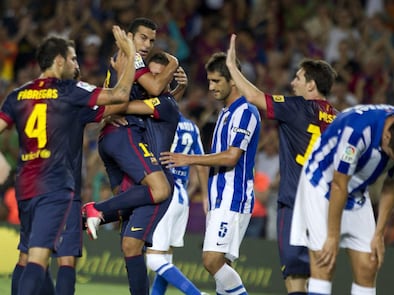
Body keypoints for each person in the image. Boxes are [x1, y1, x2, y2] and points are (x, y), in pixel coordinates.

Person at [1, 26, 136, 295]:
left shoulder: (18, 95)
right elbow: (120, 96)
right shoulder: (69, 90)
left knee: (27, 256)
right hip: (56, 186)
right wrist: (130, 55)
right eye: (73, 58)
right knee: (41, 259)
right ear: (59, 60)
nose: (77, 64)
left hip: (26, 186)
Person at [226, 34, 337, 294]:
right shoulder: (338, 117)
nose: (292, 82)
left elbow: (254, 96)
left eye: (298, 77)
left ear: (311, 86)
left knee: (295, 275)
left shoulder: (297, 106)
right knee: (318, 274)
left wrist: (232, 68)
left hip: (294, 201)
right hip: (325, 205)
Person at [160, 52, 261, 295]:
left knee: (211, 260)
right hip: (220, 197)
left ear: (233, 80)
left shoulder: (245, 112)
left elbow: (232, 156)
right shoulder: (224, 113)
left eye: (217, 81)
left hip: (233, 197)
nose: (211, 87)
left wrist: (190, 159)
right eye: (209, 81)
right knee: (222, 271)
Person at [83, 51, 180, 295]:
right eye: (149, 74)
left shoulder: (166, 104)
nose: (151, 81)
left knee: (132, 245)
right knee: (128, 247)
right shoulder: (152, 105)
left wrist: (102, 109)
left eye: (158, 76)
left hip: (157, 184)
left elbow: (128, 103)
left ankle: (95, 210)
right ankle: (73, 221)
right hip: (140, 182)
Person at [290, 104, 394, 295]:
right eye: (393, 156)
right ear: (387, 136)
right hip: (322, 186)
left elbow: (392, 183)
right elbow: (339, 184)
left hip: (356, 191)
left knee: (369, 265)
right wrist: (333, 235)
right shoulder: (357, 132)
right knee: (325, 263)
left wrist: (379, 234)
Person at [143, 53, 209, 295]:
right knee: (165, 262)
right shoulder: (190, 126)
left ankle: (196, 294)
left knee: (153, 260)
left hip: (164, 194)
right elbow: (201, 164)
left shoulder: (156, 120)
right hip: (181, 197)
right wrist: (206, 202)